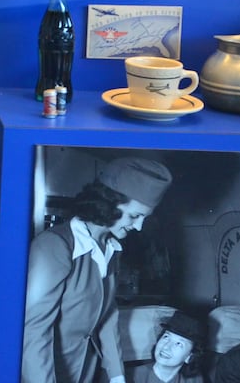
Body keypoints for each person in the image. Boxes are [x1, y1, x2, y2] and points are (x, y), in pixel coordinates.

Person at [21, 156, 174, 383]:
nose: (139, 226)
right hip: (45, 373)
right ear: (108, 203)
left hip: (85, 371)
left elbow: (108, 316)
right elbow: (33, 333)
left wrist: (117, 376)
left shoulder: (111, 249)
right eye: (135, 215)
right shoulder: (55, 246)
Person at [128, 311, 206, 383]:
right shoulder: (129, 377)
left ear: (190, 356)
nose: (166, 346)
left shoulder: (195, 380)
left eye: (179, 344)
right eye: (166, 337)